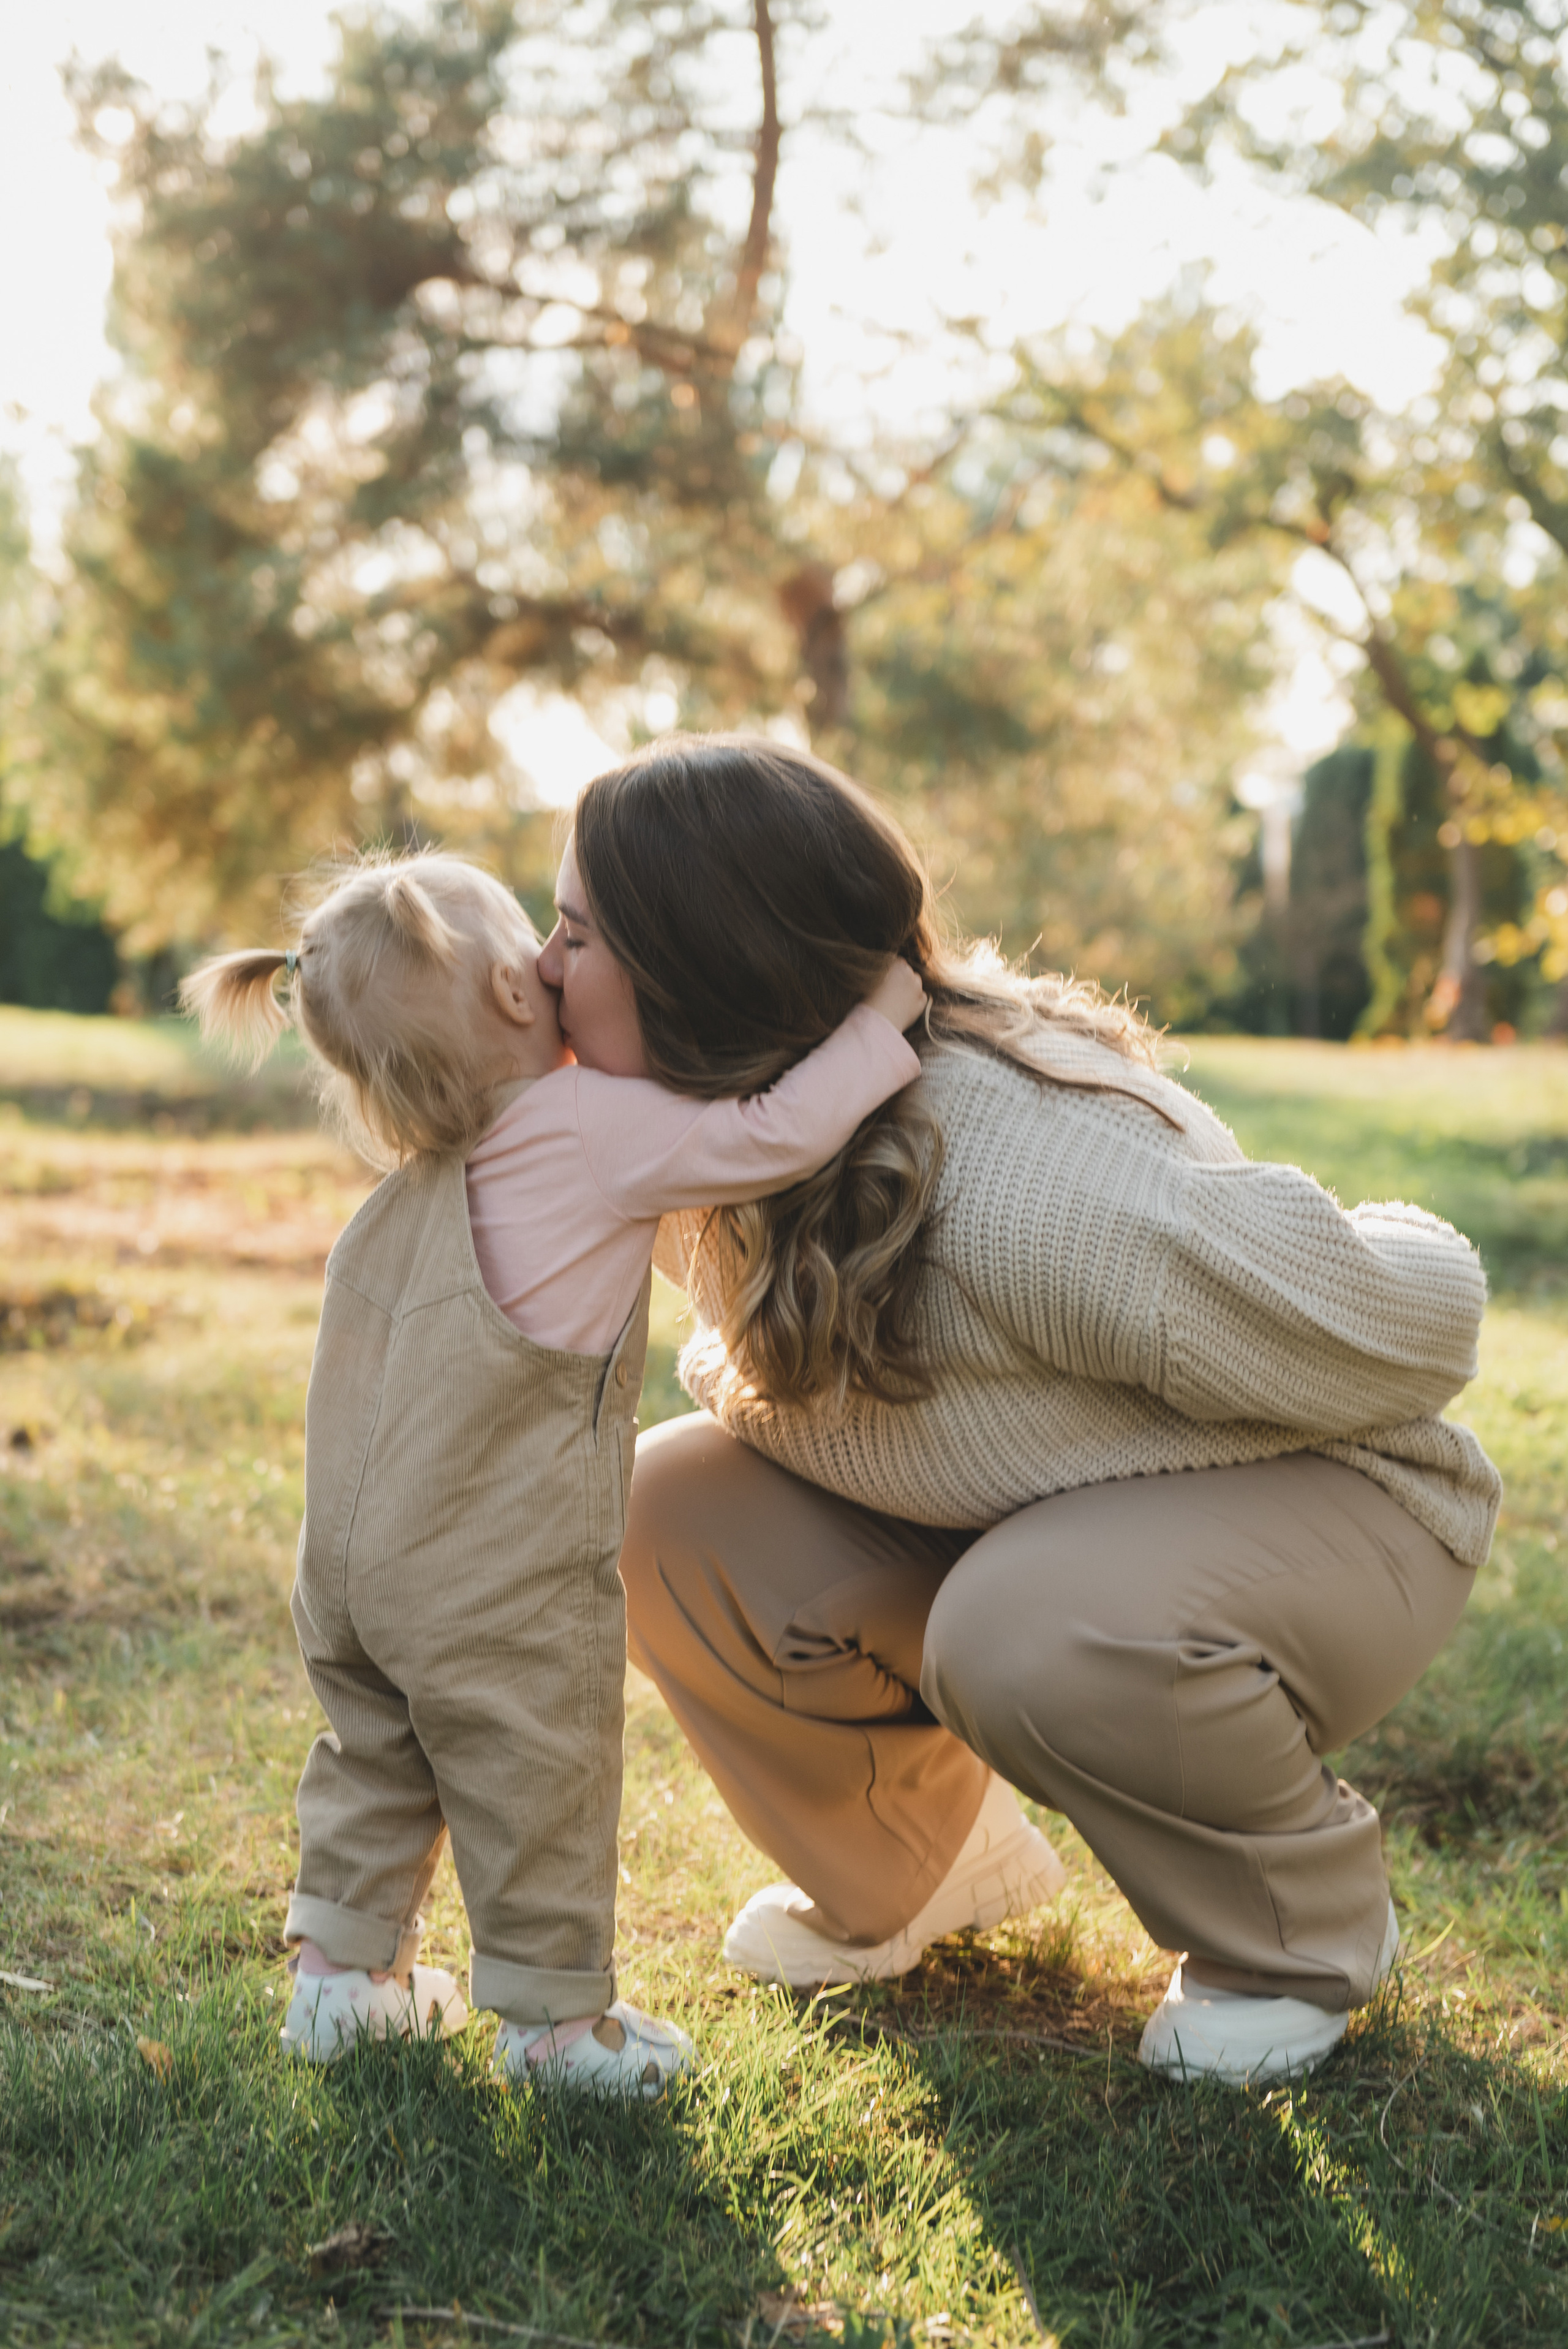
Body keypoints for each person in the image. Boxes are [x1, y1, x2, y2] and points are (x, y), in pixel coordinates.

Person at [540, 733, 1502, 2087]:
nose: (538, 968)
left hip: (1353, 1515)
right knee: (663, 1506)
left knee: (1020, 1627)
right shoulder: (706, 1146)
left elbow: (1410, 1321)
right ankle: (919, 1871)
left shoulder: (1020, 1187)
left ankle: (1291, 1935)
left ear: (702, 977)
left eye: (573, 934)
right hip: (1046, 1520)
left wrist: (1374, 1244)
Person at [181, 849, 926, 2095]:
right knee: (537, 1771)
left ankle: (336, 1986)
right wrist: (878, 1024)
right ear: (517, 998)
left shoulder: (409, 1190)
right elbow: (769, 1137)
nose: (553, 954)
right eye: (538, 939)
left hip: (353, 1573)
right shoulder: (584, 1127)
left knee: (379, 1755)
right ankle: (554, 2026)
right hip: (492, 1575)